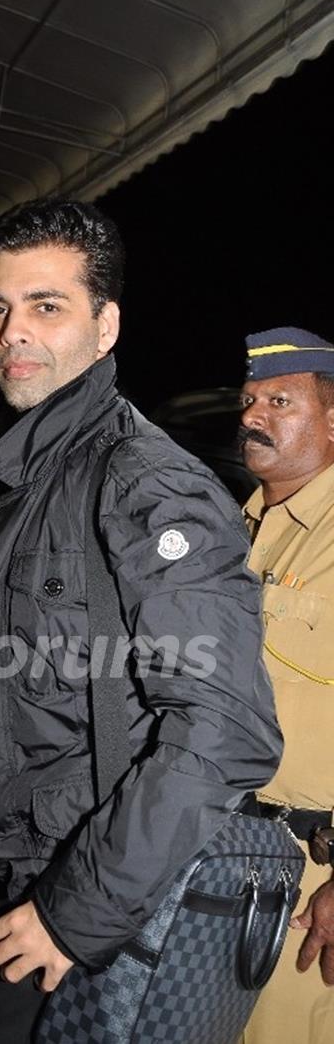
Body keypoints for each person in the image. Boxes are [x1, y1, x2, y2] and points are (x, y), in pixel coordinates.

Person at [0, 198, 282, 1043]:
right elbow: (4, 667)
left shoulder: (149, 486)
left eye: (46, 305)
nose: (11, 332)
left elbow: (224, 730)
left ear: (105, 327)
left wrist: (77, 914)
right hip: (17, 871)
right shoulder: (29, 472)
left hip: (90, 896)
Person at [238, 327, 334, 1044]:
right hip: (212, 851)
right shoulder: (235, 527)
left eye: (279, 399)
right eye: (248, 399)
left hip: (307, 883)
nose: (251, 416)